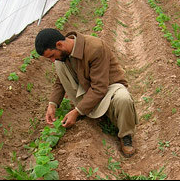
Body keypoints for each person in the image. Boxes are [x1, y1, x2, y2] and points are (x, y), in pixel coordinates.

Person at [35, 28, 138, 157]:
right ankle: (89, 109)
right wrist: (52, 104)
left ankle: (126, 136)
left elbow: (100, 88)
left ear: (59, 45)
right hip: (88, 89)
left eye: (51, 56)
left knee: (124, 99)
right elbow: (60, 81)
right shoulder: (63, 56)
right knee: (59, 65)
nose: (51, 60)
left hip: (108, 88)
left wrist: (76, 111)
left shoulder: (95, 48)